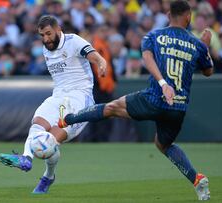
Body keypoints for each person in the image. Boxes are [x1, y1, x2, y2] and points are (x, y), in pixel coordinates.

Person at [58, 1, 213, 200]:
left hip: (155, 98)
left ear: (167, 15)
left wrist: (163, 83)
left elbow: (147, 59)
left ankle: (66, 119)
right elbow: (208, 71)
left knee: (111, 108)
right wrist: (205, 47)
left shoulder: (154, 36)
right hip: (178, 107)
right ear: (188, 17)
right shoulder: (197, 43)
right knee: (163, 145)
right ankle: (197, 179)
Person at [0, 15, 106, 194]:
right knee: (37, 125)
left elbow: (92, 54)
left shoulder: (73, 41)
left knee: (51, 141)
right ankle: (26, 159)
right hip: (58, 96)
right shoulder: (46, 49)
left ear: (58, 29)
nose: (46, 38)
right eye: (42, 35)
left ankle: (48, 176)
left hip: (80, 99)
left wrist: (101, 62)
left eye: (48, 33)